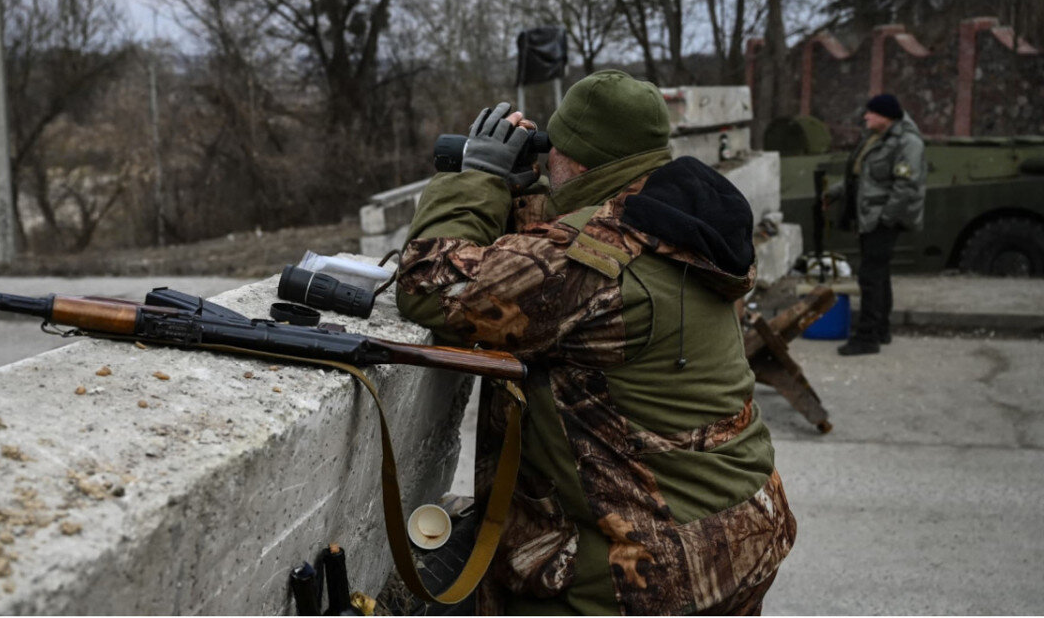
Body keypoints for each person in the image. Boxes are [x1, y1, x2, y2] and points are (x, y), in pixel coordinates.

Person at [396, 70, 795, 615]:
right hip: (739, 533)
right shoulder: (683, 217)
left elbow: (429, 286)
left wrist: (476, 178)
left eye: (552, 148)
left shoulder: (594, 262)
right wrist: (522, 188)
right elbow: (568, 235)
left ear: (578, 162)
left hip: (647, 573)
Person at [827, 94, 927, 356]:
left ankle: (867, 337)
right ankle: (881, 329)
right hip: (869, 216)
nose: (865, 117)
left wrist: (886, 218)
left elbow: (906, 185)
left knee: (870, 276)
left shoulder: (907, 142)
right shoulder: (875, 138)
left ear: (886, 116)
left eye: (871, 113)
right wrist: (834, 193)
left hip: (882, 219)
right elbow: (861, 177)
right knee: (879, 274)